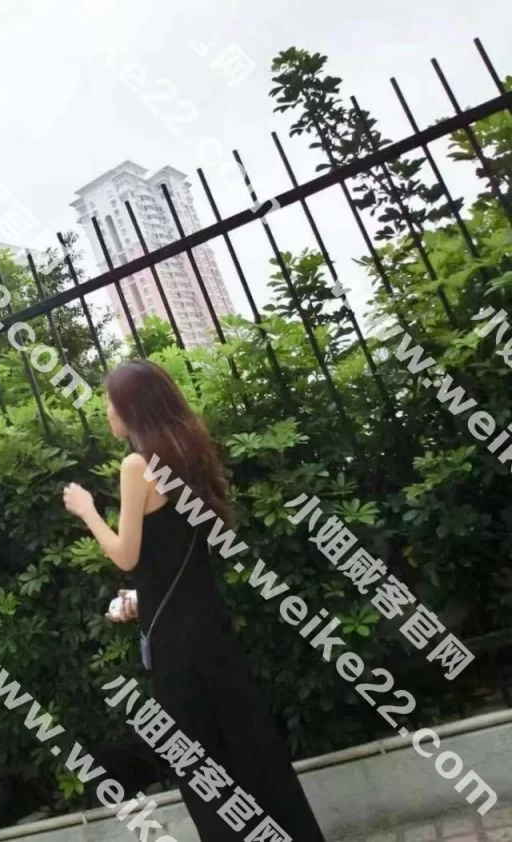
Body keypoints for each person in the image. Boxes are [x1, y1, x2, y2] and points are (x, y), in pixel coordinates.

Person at [63, 359, 326, 842]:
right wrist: (143, 597)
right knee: (250, 750)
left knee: (202, 764)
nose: (106, 412)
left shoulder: (137, 465)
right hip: (211, 630)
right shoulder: (188, 452)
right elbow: (177, 551)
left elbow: (126, 554)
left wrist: (87, 512)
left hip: (178, 649)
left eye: (111, 403)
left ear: (133, 409)